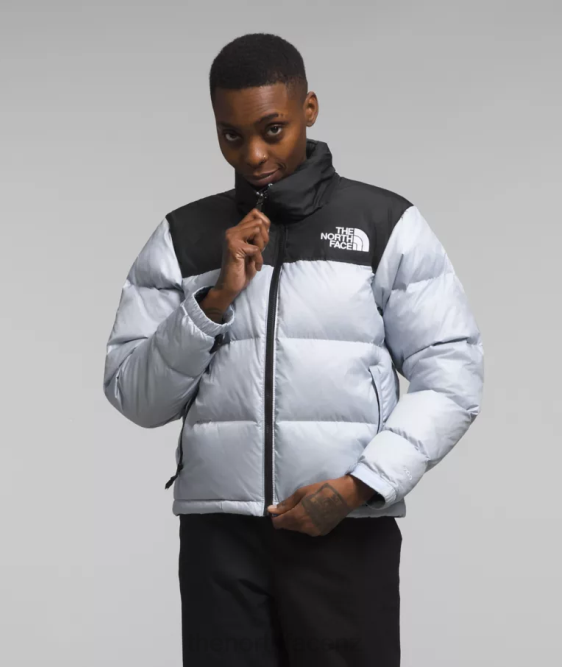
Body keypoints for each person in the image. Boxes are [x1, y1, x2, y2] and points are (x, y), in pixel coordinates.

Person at [103, 32, 484, 667]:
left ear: (309, 109)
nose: (253, 154)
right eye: (231, 135)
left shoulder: (382, 224)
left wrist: (361, 487)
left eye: (272, 130)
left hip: (343, 532)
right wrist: (214, 300)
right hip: (220, 541)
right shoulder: (184, 236)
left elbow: (453, 376)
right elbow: (135, 397)